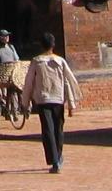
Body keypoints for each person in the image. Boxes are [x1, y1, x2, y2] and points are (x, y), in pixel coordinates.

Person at [22, 32, 80, 174]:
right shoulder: (60, 61)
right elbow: (69, 81)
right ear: (53, 45)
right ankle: (58, 158)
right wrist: (71, 104)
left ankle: (55, 160)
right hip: (58, 99)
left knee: (48, 130)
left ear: (41, 45)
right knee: (58, 130)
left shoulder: (36, 61)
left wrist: (25, 102)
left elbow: (28, 83)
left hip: (43, 100)